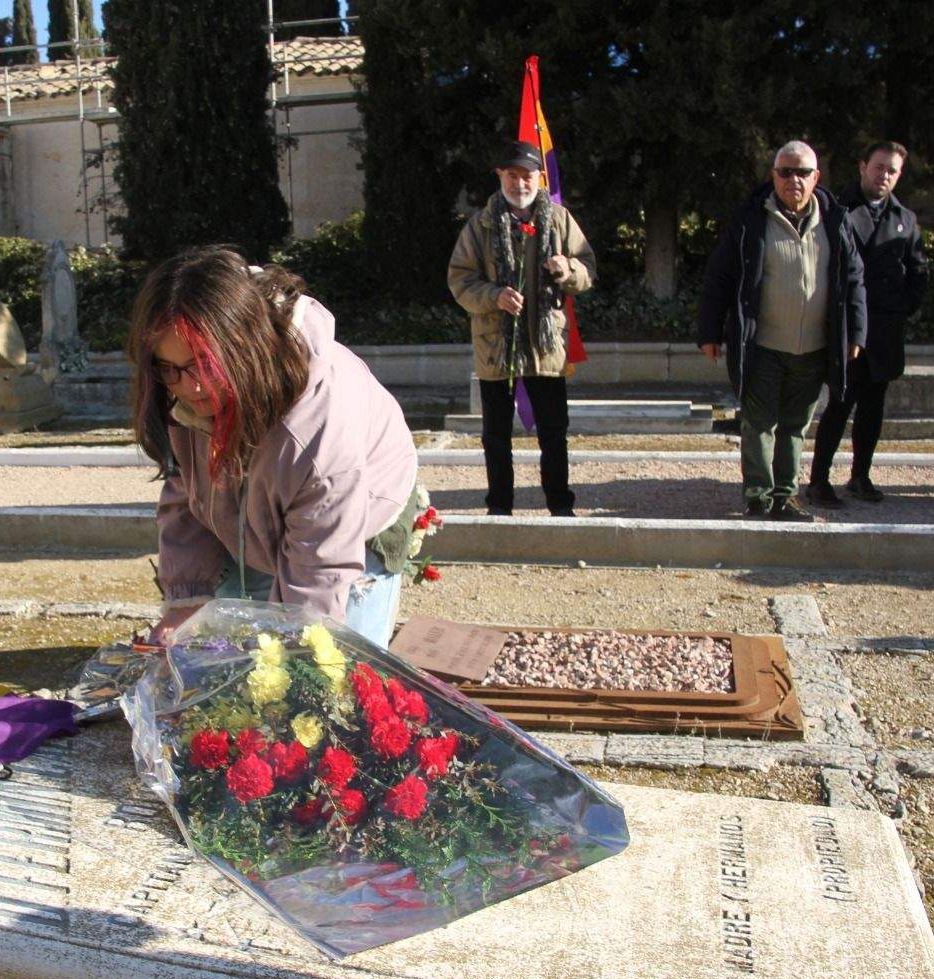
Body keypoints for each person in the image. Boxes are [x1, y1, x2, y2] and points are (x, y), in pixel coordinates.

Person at [131, 246, 419, 649]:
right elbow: (188, 494)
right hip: (254, 513)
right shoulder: (181, 395)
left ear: (243, 349)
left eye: (203, 365)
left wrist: (299, 661)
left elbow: (321, 571)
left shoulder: (317, 428)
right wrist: (185, 603)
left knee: (338, 668)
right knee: (217, 656)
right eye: (170, 368)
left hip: (354, 518)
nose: (188, 387)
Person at [698, 140, 867, 521]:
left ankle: (785, 496)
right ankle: (757, 496)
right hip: (763, 343)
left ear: (816, 177)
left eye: (802, 172)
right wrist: (709, 331)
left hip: (813, 346)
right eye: (785, 171)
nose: (794, 179)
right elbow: (720, 276)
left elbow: (854, 280)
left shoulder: (837, 221)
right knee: (758, 423)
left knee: (795, 425)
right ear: (773, 175)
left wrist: (856, 332)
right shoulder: (750, 219)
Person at [448, 141, 597, 517]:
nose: (519, 183)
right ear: (500, 176)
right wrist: (493, 296)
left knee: (554, 433)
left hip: (546, 347)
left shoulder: (560, 219)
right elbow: (460, 280)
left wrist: (568, 270)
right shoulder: (479, 225)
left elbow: (588, 268)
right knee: (496, 436)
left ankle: (560, 507)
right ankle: (499, 507)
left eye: (527, 175)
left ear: (539, 178)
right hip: (496, 346)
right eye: (512, 175)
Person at [806, 141, 929, 507]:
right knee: (840, 404)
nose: (884, 176)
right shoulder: (836, 210)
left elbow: (918, 271)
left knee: (874, 407)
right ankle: (819, 480)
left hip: (886, 329)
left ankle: (860, 475)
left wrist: (902, 307)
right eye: (879, 167)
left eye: (892, 170)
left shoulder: (905, 219)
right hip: (847, 327)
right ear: (863, 167)